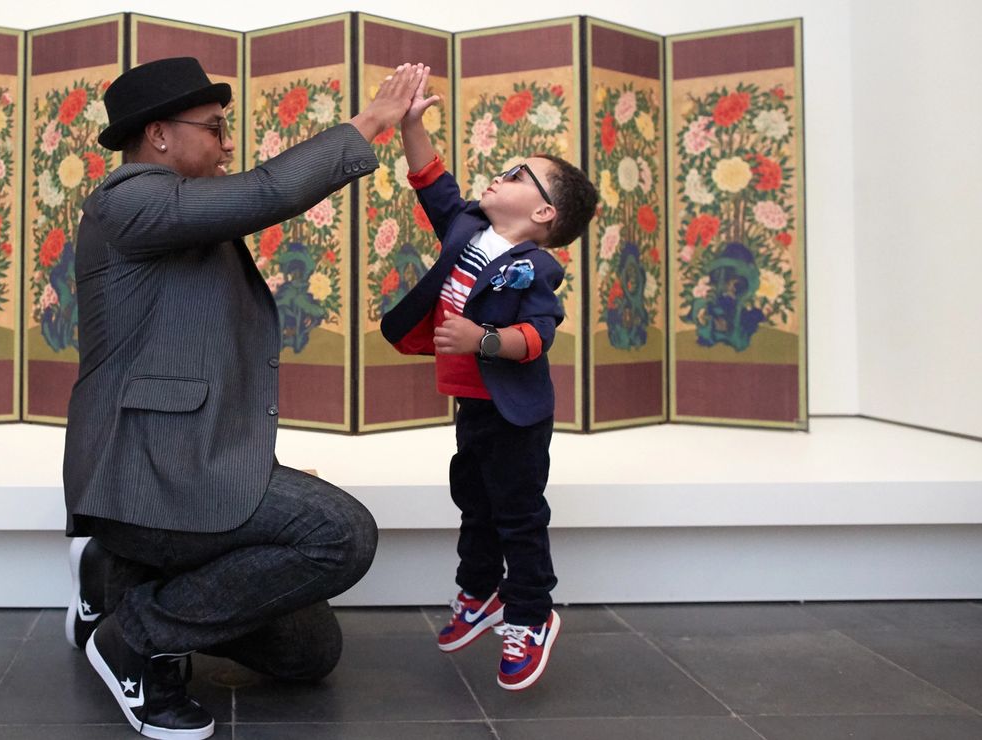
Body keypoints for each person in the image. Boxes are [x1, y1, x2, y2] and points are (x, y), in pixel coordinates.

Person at [61, 57, 427, 740]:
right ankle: (135, 640)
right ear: (160, 135)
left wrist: (259, 466)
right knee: (342, 535)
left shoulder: (186, 217)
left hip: (198, 467)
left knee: (309, 652)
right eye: (216, 129)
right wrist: (371, 122)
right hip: (146, 474)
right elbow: (267, 192)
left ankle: (113, 575)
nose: (228, 145)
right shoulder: (128, 199)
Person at [380, 72, 598, 691]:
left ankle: (530, 614)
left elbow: (538, 337)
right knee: (473, 503)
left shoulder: (533, 269)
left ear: (543, 213)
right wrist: (412, 123)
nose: (501, 173)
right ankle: (478, 594)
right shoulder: (465, 229)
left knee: (518, 513)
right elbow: (431, 181)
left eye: (519, 174)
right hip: (473, 406)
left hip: (516, 414)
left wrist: (483, 342)